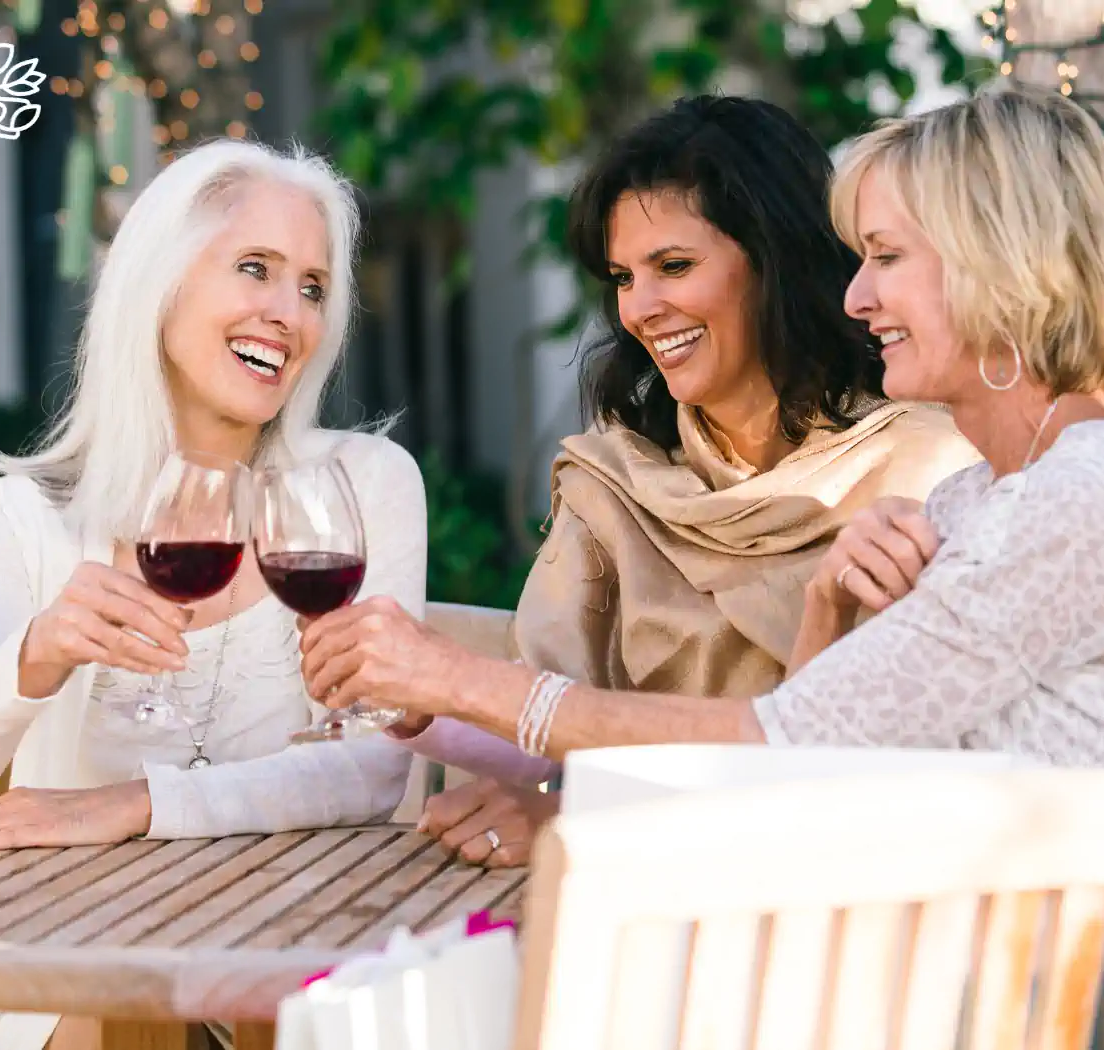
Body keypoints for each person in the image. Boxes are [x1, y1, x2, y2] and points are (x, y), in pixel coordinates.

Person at [295, 86, 1104, 1002]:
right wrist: (821, 612)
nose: (855, 298)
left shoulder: (1082, 499)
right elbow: (820, 775)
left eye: (886, 258)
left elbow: (780, 743)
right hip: (1018, 972)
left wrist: (460, 681)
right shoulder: (987, 497)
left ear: (996, 268)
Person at [0, 141, 426, 1050]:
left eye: (310, 287)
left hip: (294, 926)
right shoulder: (23, 517)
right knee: (128, 1011)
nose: (286, 314)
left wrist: (127, 807)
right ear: (161, 281)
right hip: (77, 943)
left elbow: (373, 766)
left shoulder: (359, 488)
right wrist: (38, 652)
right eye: (254, 269)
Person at [390, 94, 978, 865]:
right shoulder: (616, 480)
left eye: (674, 266)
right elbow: (544, 715)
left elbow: (870, 769)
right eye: (623, 277)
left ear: (777, 259)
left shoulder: (931, 472)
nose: (640, 307)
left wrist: (584, 819)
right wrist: (413, 704)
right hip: (648, 898)